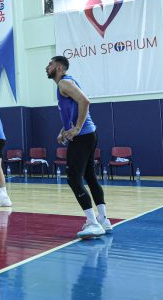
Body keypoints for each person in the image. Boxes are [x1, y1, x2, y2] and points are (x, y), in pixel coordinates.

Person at [47, 56, 111, 239]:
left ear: (59, 68)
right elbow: (74, 110)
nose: (47, 67)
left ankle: (92, 223)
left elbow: (85, 102)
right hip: (88, 135)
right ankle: (104, 220)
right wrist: (65, 130)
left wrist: (76, 129)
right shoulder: (67, 83)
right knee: (90, 177)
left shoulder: (64, 84)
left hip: (83, 136)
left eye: (50, 64)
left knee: (74, 179)